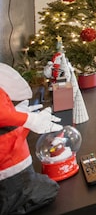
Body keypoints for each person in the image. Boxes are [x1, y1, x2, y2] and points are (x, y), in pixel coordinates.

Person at [0, 63, 62, 215]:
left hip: (17, 170)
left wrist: (22, 116)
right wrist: (28, 120)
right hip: (11, 178)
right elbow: (8, 138)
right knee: (49, 189)